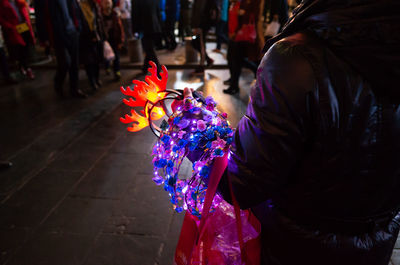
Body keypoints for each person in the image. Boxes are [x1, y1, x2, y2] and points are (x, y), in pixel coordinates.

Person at [209, 0, 400, 264]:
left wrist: (196, 137)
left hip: (294, 247)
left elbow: (243, 184)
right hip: (376, 247)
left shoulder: (295, 57)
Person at [40, 0, 88, 98]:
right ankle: (58, 83)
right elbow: (41, 16)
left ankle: (74, 89)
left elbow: (76, 9)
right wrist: (44, 37)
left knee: (74, 63)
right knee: (65, 62)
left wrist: (79, 27)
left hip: (73, 32)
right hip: (58, 34)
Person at [223, 0, 265, 94]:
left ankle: (234, 85)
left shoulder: (255, 3)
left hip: (245, 34)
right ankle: (234, 84)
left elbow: (255, 18)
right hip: (239, 33)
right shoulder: (242, 2)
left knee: (237, 61)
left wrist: (261, 40)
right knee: (235, 60)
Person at [0, 0, 35, 80]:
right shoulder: (3, 3)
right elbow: (1, 18)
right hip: (15, 29)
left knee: (26, 46)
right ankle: (27, 68)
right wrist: (10, 27)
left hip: (24, 26)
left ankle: (23, 66)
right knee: (20, 48)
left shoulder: (19, 1)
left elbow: (25, 10)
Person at [80, 0, 106, 91]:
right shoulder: (81, 7)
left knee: (97, 59)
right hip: (86, 38)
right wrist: (89, 35)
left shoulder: (94, 6)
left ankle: (96, 78)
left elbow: (99, 21)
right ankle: (92, 81)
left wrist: (103, 35)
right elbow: (82, 24)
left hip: (97, 36)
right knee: (89, 61)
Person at [131, 0, 162, 74]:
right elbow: (158, 12)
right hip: (154, 26)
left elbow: (135, 14)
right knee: (149, 48)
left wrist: (135, 29)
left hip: (145, 27)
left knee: (149, 49)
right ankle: (145, 68)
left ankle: (158, 69)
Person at [190, 0, 217, 75]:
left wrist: (198, 26)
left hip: (202, 25)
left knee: (201, 44)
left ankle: (202, 67)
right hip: (201, 25)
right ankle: (208, 60)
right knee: (195, 43)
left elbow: (201, 11)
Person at [101, 0, 125, 81]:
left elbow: (120, 28)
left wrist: (121, 40)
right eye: (105, 3)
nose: (107, 5)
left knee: (116, 55)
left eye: (108, 3)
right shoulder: (100, 15)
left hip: (114, 38)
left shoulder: (115, 14)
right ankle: (107, 66)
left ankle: (117, 71)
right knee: (107, 54)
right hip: (105, 39)